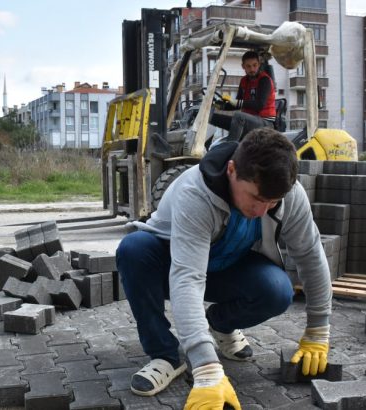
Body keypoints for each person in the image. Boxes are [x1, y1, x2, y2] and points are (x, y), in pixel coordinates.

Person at [116, 128, 332, 409]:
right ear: (231, 170)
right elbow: (187, 278)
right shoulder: (196, 192)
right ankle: (165, 355)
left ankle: (221, 323)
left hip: (225, 268)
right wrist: (206, 367)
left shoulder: (290, 194)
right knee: (133, 249)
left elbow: (311, 255)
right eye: (255, 197)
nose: (262, 210)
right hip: (171, 266)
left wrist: (318, 329)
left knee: (277, 290)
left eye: (272, 202)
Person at [210, 50, 277, 145]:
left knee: (238, 116)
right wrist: (221, 106)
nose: (252, 69)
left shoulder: (264, 80)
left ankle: (228, 149)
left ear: (259, 64)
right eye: (248, 66)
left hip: (265, 122)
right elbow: (237, 105)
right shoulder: (244, 81)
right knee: (212, 117)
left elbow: (260, 105)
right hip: (248, 121)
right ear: (243, 66)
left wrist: (236, 102)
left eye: (254, 65)